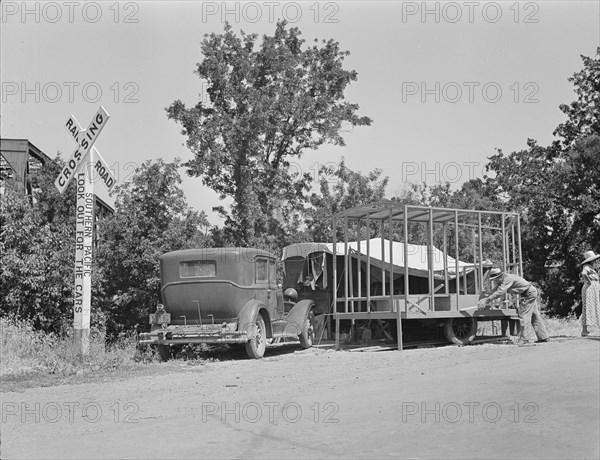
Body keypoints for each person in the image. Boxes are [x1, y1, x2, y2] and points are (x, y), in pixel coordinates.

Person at [478, 268, 549, 343]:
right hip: (530, 292)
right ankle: (543, 337)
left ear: (500, 276)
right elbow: (495, 290)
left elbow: (500, 291)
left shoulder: (507, 279)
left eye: (495, 279)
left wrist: (487, 300)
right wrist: (486, 298)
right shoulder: (502, 280)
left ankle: (524, 339)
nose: (494, 281)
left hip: (529, 293)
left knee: (523, 314)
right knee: (535, 316)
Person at [579, 250, 600, 337]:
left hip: (592, 289)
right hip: (589, 289)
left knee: (594, 307)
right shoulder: (587, 266)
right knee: (588, 307)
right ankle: (584, 330)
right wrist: (589, 281)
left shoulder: (591, 267)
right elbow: (584, 273)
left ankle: (585, 330)